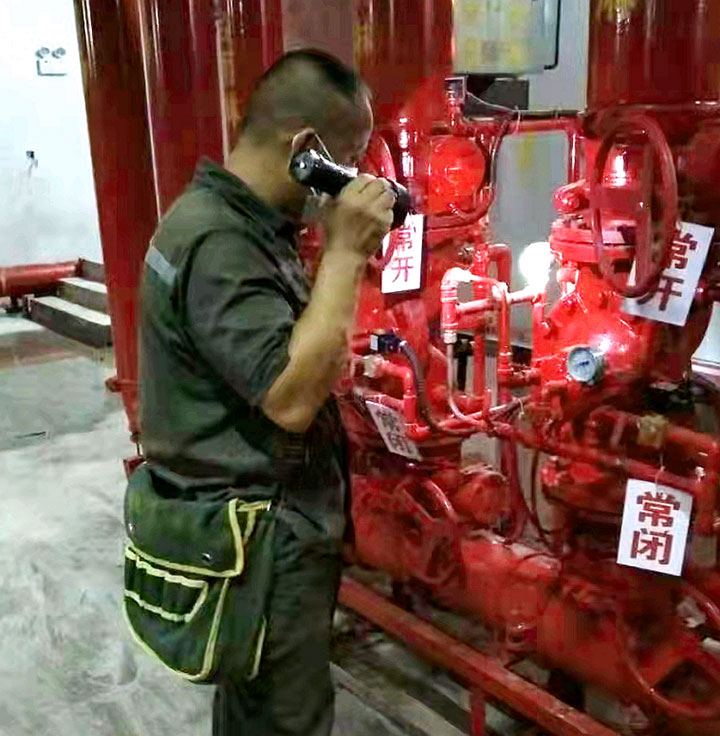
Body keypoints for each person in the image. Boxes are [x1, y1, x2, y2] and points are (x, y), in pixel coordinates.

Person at [129, 49, 395, 736]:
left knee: (252, 709)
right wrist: (345, 253)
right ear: (307, 153)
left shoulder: (228, 221)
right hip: (258, 543)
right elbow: (290, 399)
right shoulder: (220, 242)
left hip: (248, 533)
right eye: (350, 160)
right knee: (285, 719)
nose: (353, 180)